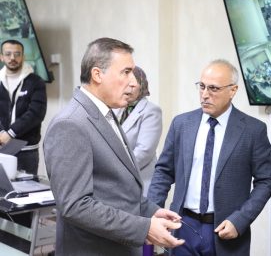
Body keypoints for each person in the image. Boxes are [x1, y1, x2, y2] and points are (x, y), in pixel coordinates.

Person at [43, 37, 184, 256]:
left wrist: (152, 212)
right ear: (97, 74)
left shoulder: (106, 114)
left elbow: (116, 188)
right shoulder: (70, 124)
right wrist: (143, 228)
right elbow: (75, 205)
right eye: (126, 72)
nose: (134, 83)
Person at [148, 59, 271, 255]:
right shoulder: (182, 124)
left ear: (233, 90)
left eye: (214, 89)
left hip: (225, 230)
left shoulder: (253, 130)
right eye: (202, 87)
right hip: (182, 226)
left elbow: (266, 182)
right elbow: (163, 172)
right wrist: (154, 213)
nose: (205, 95)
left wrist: (240, 220)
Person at [0, 39, 47, 175]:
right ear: (1, 57)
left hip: (27, 151)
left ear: (23, 56)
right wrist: (2, 134)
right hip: (2, 148)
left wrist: (10, 133)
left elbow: (36, 113)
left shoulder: (36, 82)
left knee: (27, 192)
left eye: (17, 54)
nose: (12, 58)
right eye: (8, 54)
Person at [114, 66, 162, 196]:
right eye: (124, 84)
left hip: (140, 180)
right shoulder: (117, 108)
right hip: (117, 182)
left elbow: (144, 151)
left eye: (132, 85)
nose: (127, 88)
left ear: (142, 85)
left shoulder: (151, 111)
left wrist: (116, 169)